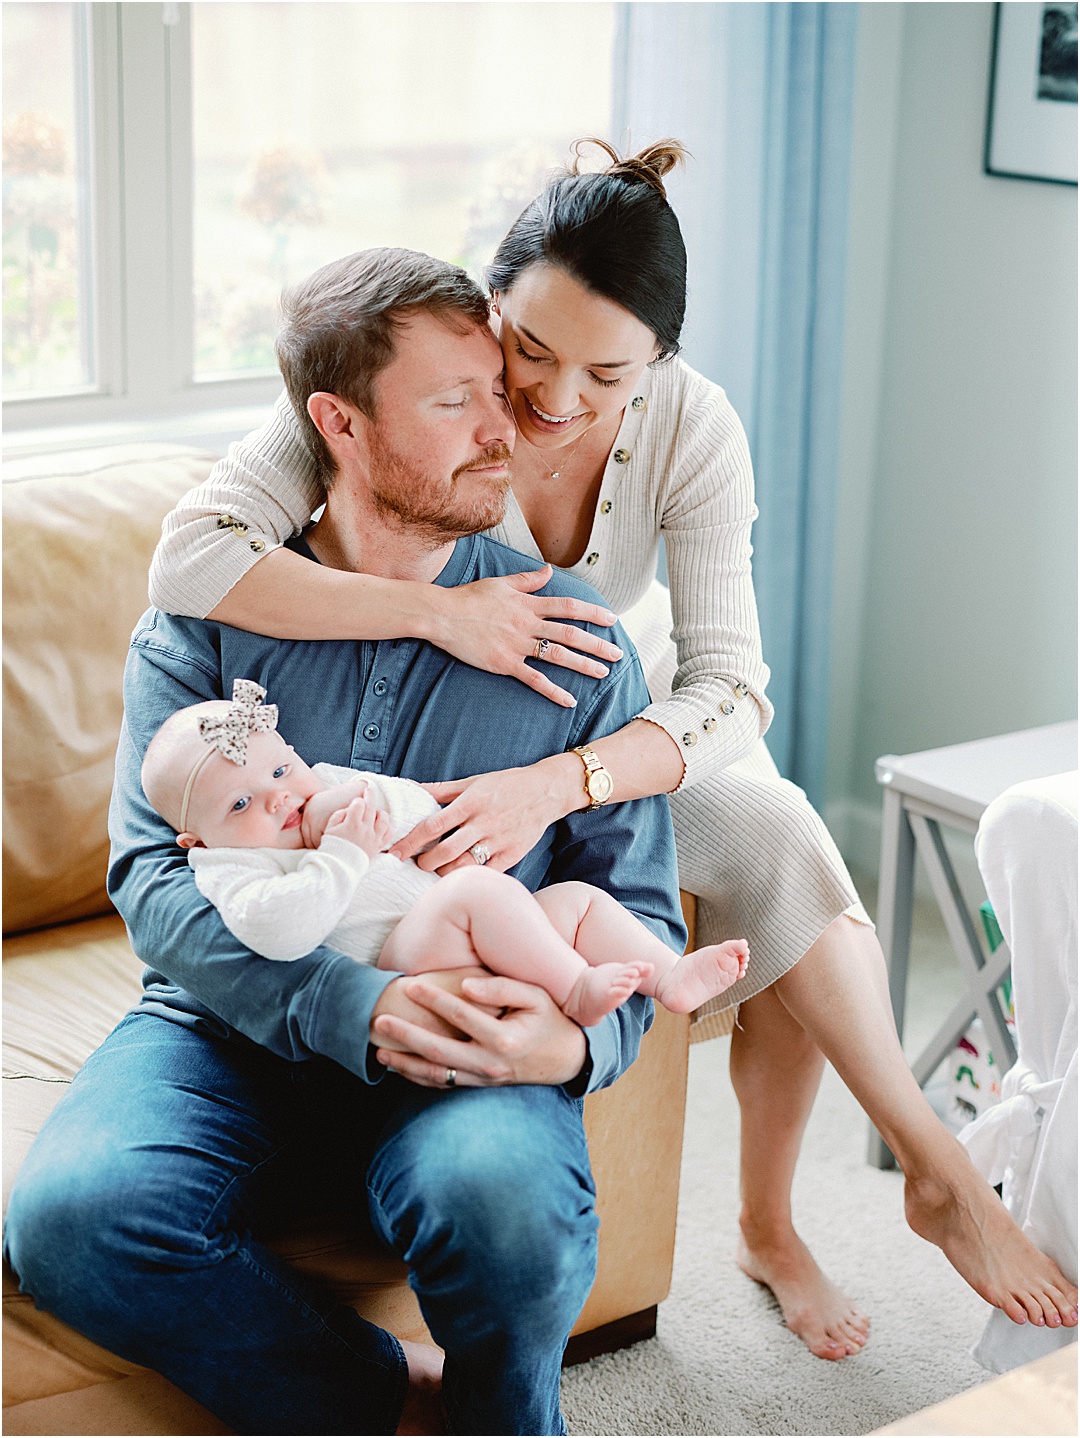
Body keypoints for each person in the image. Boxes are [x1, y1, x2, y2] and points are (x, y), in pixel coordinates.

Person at [146, 138, 1079, 1355]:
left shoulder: (692, 428)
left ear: (661, 361)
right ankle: (897, 1183)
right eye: (529, 350)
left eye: (607, 371)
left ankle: (855, 1194)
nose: (551, 398)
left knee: (782, 840)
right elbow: (189, 561)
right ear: (492, 307)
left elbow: (735, 688)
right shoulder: (411, 393)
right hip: (474, 742)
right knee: (785, 849)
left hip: (612, 738)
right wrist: (440, 612)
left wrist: (559, 782)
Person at [3, 249, 688, 1437]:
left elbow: (639, 905)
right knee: (70, 1218)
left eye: (499, 388)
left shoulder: (579, 644)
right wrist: (346, 1004)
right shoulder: (204, 618)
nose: (506, 429)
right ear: (340, 422)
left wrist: (579, 1044)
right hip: (223, 1026)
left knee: (507, 1203)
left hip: (475, 1024)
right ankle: (385, 1402)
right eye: (453, 401)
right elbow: (152, 880)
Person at [142, 681, 748, 1023]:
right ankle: (573, 989)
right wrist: (341, 854)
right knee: (474, 893)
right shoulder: (230, 869)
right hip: (400, 966)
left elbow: (422, 819)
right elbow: (279, 932)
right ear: (198, 841)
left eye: (279, 768)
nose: (277, 799)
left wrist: (366, 800)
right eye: (241, 806)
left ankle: (670, 976)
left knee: (576, 902)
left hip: (474, 933)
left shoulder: (328, 788)